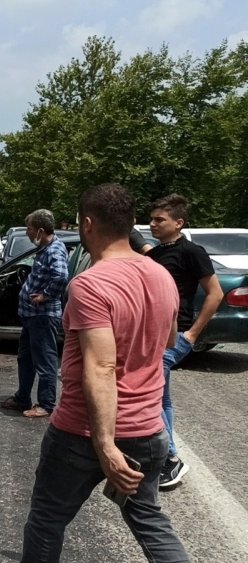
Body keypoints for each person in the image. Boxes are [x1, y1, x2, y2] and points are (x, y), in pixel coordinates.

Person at [21, 182, 188, 562]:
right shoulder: (162, 275)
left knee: (47, 521)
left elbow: (101, 367)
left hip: (82, 433)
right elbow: (169, 341)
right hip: (147, 430)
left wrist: (105, 445)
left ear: (87, 224)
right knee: (148, 519)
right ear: (131, 223)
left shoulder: (91, 285)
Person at [147, 194, 223, 488]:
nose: (152, 224)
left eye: (159, 220)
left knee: (151, 394)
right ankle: (163, 454)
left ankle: (171, 459)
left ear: (178, 223)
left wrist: (192, 335)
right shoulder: (155, 254)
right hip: (155, 334)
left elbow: (215, 293)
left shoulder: (192, 252)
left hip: (177, 335)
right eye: (151, 219)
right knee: (162, 396)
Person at [1, 209, 69, 418]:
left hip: (43, 316)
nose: (28, 233)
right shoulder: (45, 248)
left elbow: (60, 276)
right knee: (26, 358)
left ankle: (46, 404)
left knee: (45, 360)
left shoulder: (54, 250)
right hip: (32, 316)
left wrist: (45, 296)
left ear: (40, 230)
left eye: (29, 229)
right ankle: (23, 397)